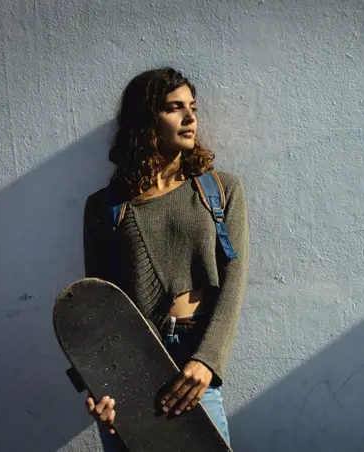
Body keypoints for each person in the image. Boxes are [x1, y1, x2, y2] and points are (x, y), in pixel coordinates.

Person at [81, 67, 249, 448]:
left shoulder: (221, 190)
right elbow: (98, 306)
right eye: (176, 108)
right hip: (132, 364)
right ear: (146, 120)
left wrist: (208, 360)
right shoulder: (103, 207)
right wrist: (99, 385)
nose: (191, 118)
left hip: (195, 358)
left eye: (193, 107)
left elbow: (234, 280)